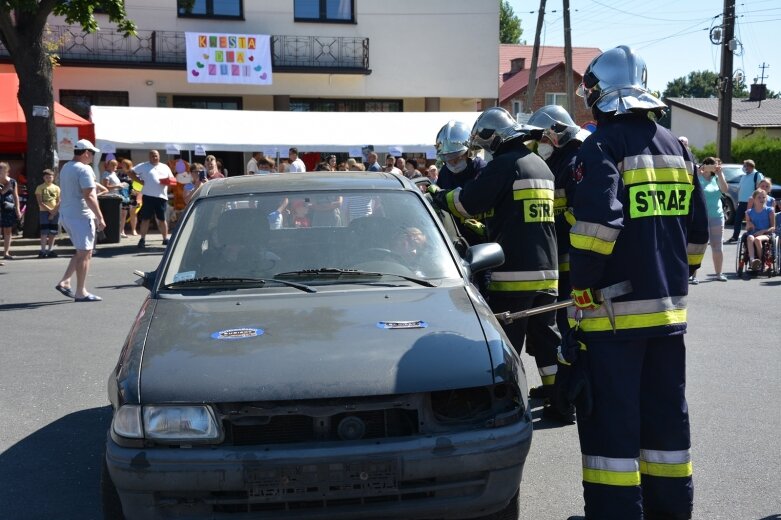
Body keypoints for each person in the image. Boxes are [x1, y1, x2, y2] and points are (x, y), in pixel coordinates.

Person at [565, 45, 708, 520]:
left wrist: (580, 290)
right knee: (667, 425)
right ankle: (671, 512)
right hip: (669, 316)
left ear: (597, 95)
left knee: (613, 431)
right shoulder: (678, 146)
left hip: (612, 320)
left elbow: (598, 228)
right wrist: (674, 276)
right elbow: (697, 235)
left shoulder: (602, 145)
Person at [429, 107, 563, 422]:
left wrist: (439, 196)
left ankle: (509, 410)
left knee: (507, 346)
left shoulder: (504, 165)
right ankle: (560, 402)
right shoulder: (540, 165)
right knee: (547, 340)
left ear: (494, 137)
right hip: (549, 272)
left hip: (513, 273)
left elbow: (468, 203)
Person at [526, 104, 590, 405]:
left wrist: (551, 225)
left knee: (567, 326)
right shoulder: (558, 159)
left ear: (557, 134)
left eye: (544, 138)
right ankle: (560, 388)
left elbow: (580, 212)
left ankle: (570, 391)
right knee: (556, 325)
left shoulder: (576, 160)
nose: (541, 144)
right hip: (557, 253)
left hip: (571, 255)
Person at [55, 139, 106, 302]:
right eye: (91, 153)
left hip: (67, 215)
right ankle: (80, 292)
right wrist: (100, 217)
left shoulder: (66, 167)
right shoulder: (85, 169)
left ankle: (65, 281)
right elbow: (90, 196)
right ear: (85, 153)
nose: (92, 156)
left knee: (80, 251)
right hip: (81, 215)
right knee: (85, 254)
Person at [433, 120, 488, 247]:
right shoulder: (445, 173)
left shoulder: (483, 170)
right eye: (447, 158)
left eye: (457, 157)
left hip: (481, 240)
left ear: (469, 152)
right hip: (453, 239)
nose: (452, 163)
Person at [691, 157, 729, 283]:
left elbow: (725, 190)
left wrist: (720, 173)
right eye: (709, 165)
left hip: (716, 216)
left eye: (714, 166)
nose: (711, 168)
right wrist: (697, 173)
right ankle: (692, 275)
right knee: (697, 245)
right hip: (700, 216)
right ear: (704, 165)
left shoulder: (717, 178)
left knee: (717, 245)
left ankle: (719, 273)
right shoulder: (698, 177)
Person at [129, 150, 176, 248]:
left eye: (156, 156)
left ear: (159, 156)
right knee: (145, 219)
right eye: (153, 156)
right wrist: (139, 181)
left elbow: (172, 179)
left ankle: (165, 239)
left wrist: (168, 183)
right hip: (148, 196)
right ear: (149, 157)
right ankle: (142, 239)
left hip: (161, 197)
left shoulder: (165, 166)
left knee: (162, 219)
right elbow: (130, 172)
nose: (155, 158)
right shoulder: (143, 165)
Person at [725, 159, 762, 243]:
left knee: (752, 220)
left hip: (752, 202)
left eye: (745, 166)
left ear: (750, 166)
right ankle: (735, 237)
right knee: (737, 220)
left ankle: (753, 236)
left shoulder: (757, 175)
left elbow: (760, 189)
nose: (744, 167)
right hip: (742, 202)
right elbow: (741, 189)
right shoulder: (744, 176)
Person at [744, 188, 775, 271]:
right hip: (753, 233)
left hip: (766, 234)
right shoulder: (749, 212)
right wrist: (749, 224)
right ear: (754, 199)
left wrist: (763, 231)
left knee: (757, 239)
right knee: (750, 238)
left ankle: (762, 261)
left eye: (764, 197)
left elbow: (773, 227)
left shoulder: (769, 210)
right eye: (759, 197)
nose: (762, 199)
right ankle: (752, 261)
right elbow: (747, 227)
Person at [35, 169, 61, 258]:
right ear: (43, 178)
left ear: (53, 178)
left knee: (53, 232)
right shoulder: (40, 187)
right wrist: (50, 211)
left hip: (55, 211)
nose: (49, 179)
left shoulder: (57, 188)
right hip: (44, 211)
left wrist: (54, 212)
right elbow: (40, 202)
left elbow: (59, 201)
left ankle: (50, 250)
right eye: (47, 177)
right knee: (44, 232)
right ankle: (42, 250)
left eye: (50, 177)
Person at [0, 161, 22, 260]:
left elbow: (16, 196)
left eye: (2, 170)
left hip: (8, 208)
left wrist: (18, 209)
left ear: (7, 171)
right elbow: (2, 193)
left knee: (8, 231)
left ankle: (6, 253)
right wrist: (5, 188)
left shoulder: (12, 181)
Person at [119, 159, 139, 236]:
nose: (121, 165)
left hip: (132, 194)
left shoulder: (133, 173)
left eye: (123, 164)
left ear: (128, 165)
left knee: (133, 213)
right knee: (123, 213)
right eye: (122, 164)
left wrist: (137, 191)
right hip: (123, 195)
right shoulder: (119, 173)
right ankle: (122, 230)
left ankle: (133, 230)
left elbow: (139, 183)